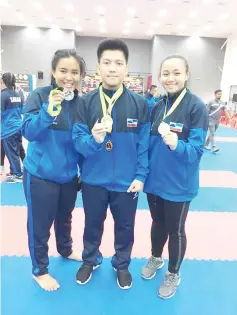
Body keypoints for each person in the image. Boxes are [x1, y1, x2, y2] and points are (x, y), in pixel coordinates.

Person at [73, 38, 150, 289]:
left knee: (125, 227)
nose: (112, 68)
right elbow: (78, 142)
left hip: (127, 182)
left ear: (127, 68)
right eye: (107, 62)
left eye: (118, 63)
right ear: (98, 68)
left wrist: (140, 175)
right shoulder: (85, 103)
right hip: (94, 179)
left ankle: (122, 264)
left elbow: (143, 144)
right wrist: (94, 139)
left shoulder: (140, 104)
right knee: (92, 224)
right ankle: (90, 259)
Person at [141, 54, 208, 299]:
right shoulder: (158, 105)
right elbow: (146, 142)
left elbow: (198, 149)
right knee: (157, 223)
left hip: (180, 183)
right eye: (166, 73)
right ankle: (156, 258)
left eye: (177, 73)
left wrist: (176, 144)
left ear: (187, 75)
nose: (171, 78)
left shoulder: (196, 106)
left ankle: (173, 273)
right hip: (154, 181)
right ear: (159, 77)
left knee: (176, 229)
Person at [22, 49, 86, 292]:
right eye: (63, 71)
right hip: (40, 175)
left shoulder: (81, 103)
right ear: (53, 71)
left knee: (65, 217)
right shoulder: (39, 96)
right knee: (39, 224)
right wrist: (49, 111)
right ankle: (40, 270)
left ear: (80, 75)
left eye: (74, 72)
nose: (68, 77)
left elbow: (81, 142)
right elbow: (28, 132)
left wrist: (82, 172)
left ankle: (66, 248)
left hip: (68, 176)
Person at [0, 73, 23, 183]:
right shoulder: (17, 94)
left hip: (8, 129)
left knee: (12, 152)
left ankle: (18, 174)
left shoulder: (2, 95)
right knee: (17, 150)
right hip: (18, 126)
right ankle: (14, 171)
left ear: (3, 81)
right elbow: (21, 109)